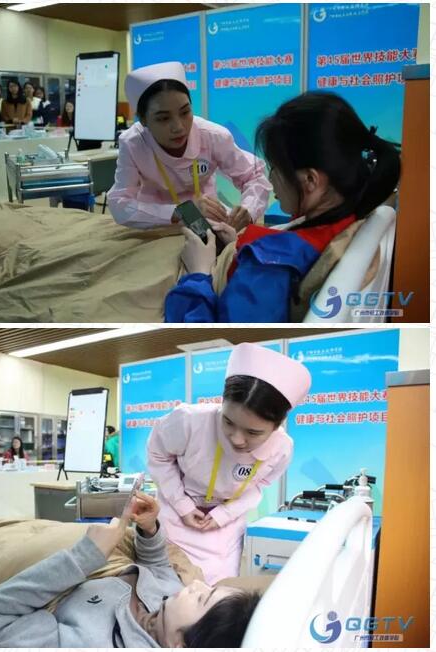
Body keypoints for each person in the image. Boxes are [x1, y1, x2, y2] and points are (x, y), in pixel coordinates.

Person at [164, 91, 401, 323]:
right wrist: (236, 246)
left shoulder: (269, 268)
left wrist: (198, 274)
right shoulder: (352, 213)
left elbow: (217, 338)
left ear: (310, 180)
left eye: (275, 168)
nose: (270, 179)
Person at [0, 492, 260, 647]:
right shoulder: (171, 601)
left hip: (59, 557)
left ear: (179, 645)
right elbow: (159, 566)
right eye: (208, 587)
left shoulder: (88, 641)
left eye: (202, 598)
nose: (195, 585)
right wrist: (149, 529)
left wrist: (86, 556)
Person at [147, 342, 311, 585]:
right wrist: (182, 505)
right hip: (176, 519)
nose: (237, 439)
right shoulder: (188, 421)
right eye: (228, 422)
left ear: (277, 425)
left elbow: (259, 486)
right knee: (171, 587)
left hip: (225, 528)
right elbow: (158, 455)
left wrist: (224, 515)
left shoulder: (281, 449)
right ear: (222, 402)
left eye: (253, 433)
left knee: (220, 591)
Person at [107, 61, 271, 230]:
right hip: (156, 225)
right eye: (163, 118)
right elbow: (120, 203)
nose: (178, 127)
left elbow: (254, 175)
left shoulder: (212, 136)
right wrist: (183, 212)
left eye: (185, 112)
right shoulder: (133, 143)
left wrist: (248, 210)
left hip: (209, 222)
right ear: (143, 120)